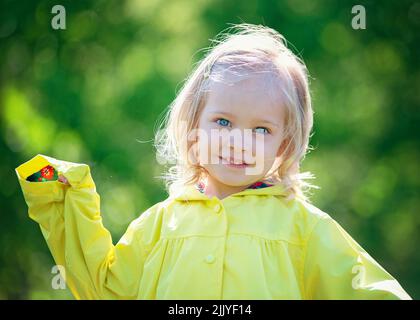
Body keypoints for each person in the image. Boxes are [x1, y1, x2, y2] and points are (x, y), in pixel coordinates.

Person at [15, 23, 412, 300]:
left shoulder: (305, 230)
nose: (239, 142)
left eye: (261, 130)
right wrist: (63, 200)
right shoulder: (158, 225)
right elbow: (104, 291)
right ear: (192, 126)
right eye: (222, 122)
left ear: (284, 144)